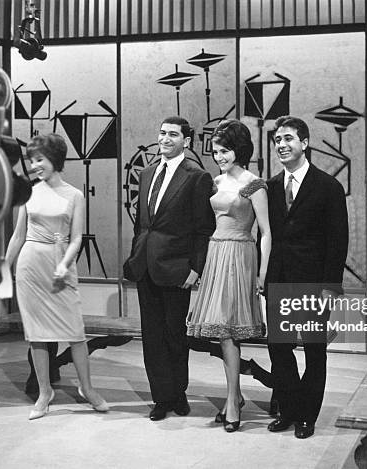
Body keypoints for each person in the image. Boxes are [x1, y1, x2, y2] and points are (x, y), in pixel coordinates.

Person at [4, 133, 109, 420]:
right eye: (32, 160)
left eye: (40, 159)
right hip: (30, 266)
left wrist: (65, 263)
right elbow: (17, 236)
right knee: (36, 335)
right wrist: (5, 265)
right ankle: (44, 392)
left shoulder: (74, 194)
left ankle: (87, 389)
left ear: (55, 160)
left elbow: (76, 239)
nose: (35, 165)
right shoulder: (28, 192)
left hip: (60, 265)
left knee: (75, 333)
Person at [123, 116, 216, 421]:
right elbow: (141, 223)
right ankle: (161, 398)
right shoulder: (148, 173)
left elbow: (204, 229)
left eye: (173, 135)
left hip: (177, 269)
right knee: (152, 337)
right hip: (145, 266)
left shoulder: (196, 176)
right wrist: (136, 254)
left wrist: (196, 269)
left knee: (175, 335)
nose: (165, 139)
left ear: (186, 141)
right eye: (162, 133)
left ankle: (179, 393)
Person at [265, 116, 348, 439]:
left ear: (305, 142)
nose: (282, 145)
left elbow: (338, 239)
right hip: (279, 281)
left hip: (314, 284)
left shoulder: (328, 186)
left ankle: (306, 416)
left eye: (288, 139)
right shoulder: (270, 187)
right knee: (279, 349)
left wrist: (330, 286)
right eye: (277, 140)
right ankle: (289, 408)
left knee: (314, 351)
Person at [186, 119, 271, 432]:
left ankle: (233, 402)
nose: (219, 156)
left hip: (240, 254)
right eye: (216, 151)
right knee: (222, 331)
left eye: (224, 151)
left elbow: (265, 232)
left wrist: (262, 272)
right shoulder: (216, 182)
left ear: (239, 149)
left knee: (229, 331)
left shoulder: (254, 184)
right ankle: (234, 397)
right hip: (216, 253)